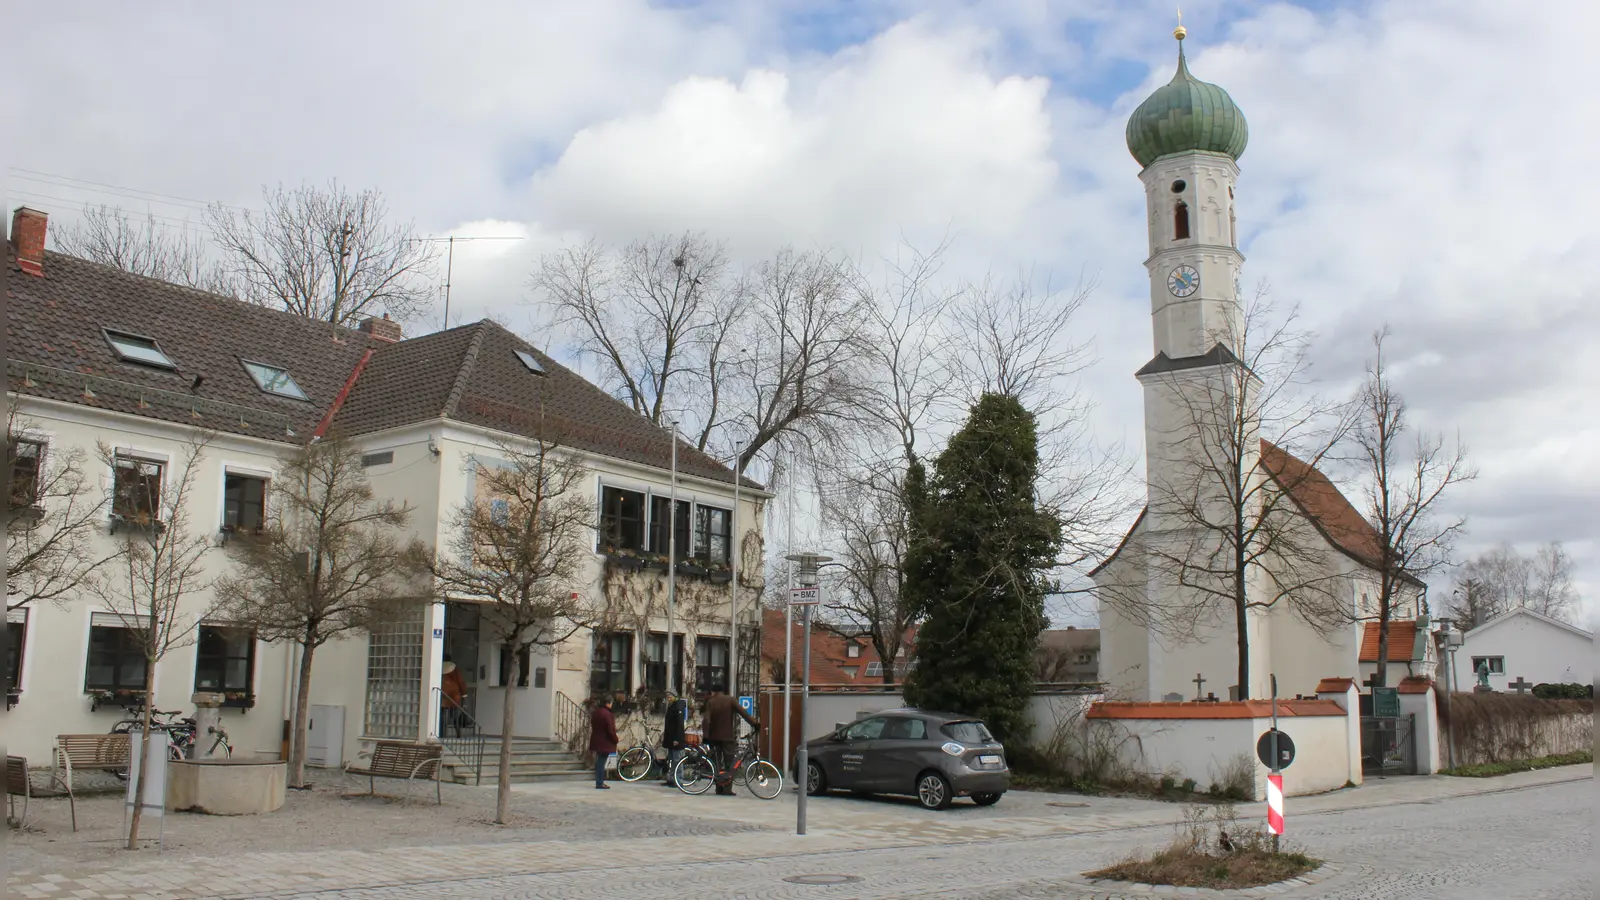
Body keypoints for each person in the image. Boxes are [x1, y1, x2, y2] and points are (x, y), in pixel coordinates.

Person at [702, 689, 759, 796]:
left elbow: (706, 719)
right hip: (727, 737)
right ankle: (727, 789)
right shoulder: (730, 700)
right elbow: (744, 713)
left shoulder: (711, 701)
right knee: (730, 763)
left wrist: (706, 735)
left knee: (716, 763)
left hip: (714, 737)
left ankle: (718, 787)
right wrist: (755, 723)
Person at [588, 695, 619, 790]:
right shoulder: (607, 714)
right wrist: (615, 739)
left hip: (597, 739)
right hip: (605, 741)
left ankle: (599, 781)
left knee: (599, 760)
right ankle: (600, 782)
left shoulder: (596, 712)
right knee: (602, 761)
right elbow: (610, 729)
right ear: (609, 703)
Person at [661, 690, 689, 786]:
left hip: (676, 738)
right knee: (672, 759)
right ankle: (672, 779)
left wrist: (677, 738)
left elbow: (680, 724)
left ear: (675, 696)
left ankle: (679, 779)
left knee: (678, 759)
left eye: (670, 696)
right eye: (667, 696)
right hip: (671, 738)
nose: (668, 698)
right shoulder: (672, 705)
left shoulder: (678, 706)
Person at [440, 656, 468, 737]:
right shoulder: (454, 668)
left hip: (443, 693)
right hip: (454, 695)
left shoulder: (438, 666)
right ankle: (458, 732)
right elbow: (460, 681)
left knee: (441, 714)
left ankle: (441, 733)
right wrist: (464, 695)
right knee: (455, 715)